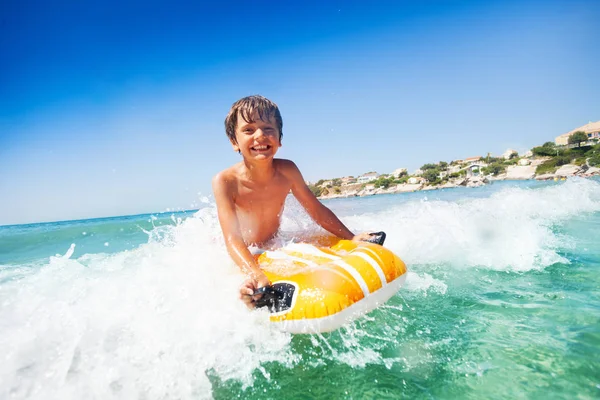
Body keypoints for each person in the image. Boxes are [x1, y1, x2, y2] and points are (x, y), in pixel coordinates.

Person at [212, 95, 373, 308]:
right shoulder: (225, 181)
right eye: (249, 130)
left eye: (268, 129)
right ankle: (247, 294)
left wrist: (352, 237)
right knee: (252, 284)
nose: (260, 136)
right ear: (234, 141)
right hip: (244, 252)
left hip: (272, 244)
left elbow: (316, 211)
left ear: (279, 138)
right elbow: (232, 240)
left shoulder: (287, 170)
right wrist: (255, 273)